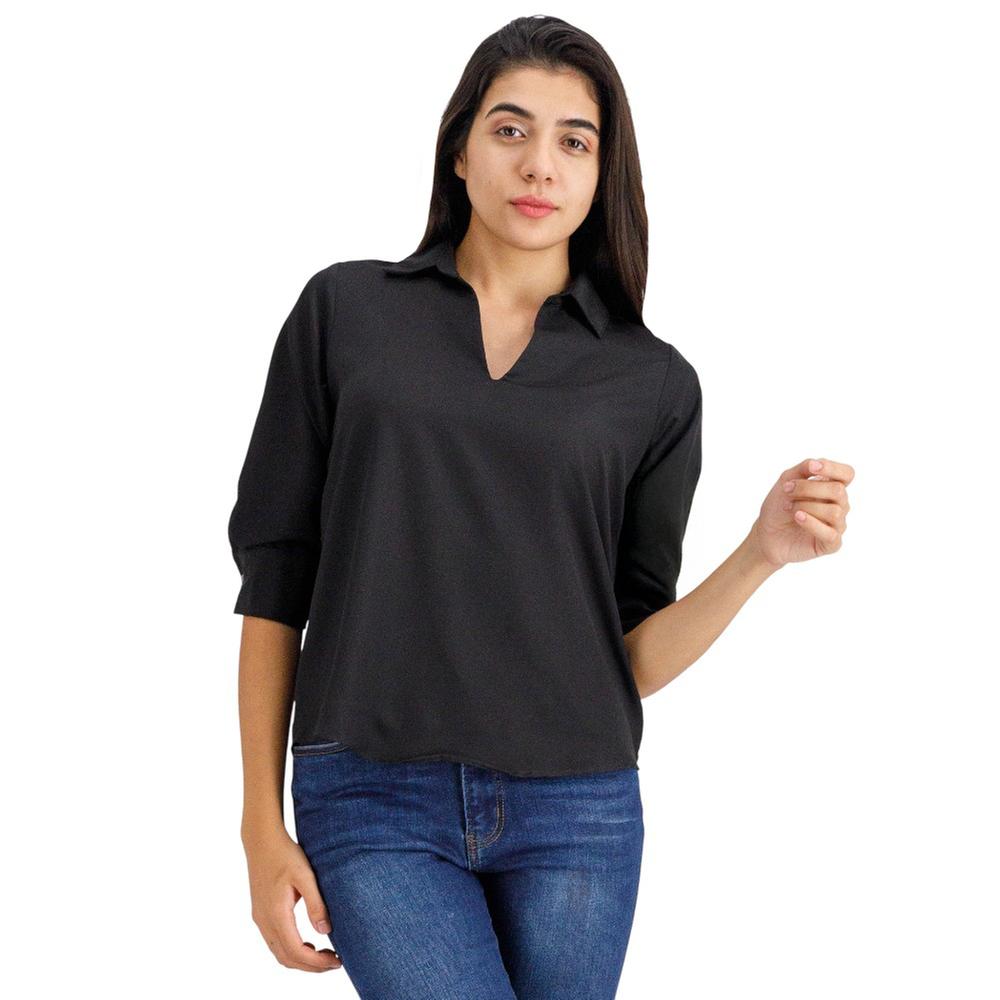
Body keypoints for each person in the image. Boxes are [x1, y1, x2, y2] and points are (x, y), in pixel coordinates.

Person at [228, 15, 853, 1000]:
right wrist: (259, 823)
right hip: (371, 791)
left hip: (577, 812)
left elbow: (632, 655)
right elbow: (276, 580)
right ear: (460, 150)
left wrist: (760, 552)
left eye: (575, 141)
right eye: (510, 129)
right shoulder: (345, 314)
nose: (539, 165)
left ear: (603, 174)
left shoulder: (653, 384)